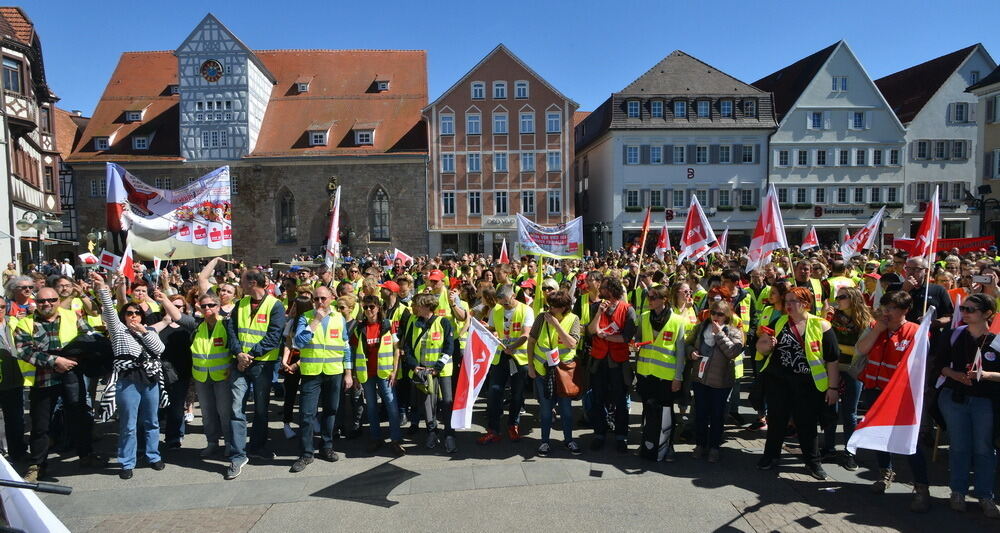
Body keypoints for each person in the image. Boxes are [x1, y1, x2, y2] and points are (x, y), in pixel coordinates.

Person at [14, 284, 104, 482]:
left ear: (57, 300)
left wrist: (81, 357)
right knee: (41, 425)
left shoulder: (72, 316)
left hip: (72, 373)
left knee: (80, 416)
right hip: (43, 379)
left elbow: (89, 338)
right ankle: (37, 465)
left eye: (52, 300)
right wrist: (55, 361)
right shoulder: (26, 323)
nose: (47, 304)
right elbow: (24, 350)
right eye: (42, 301)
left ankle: (86, 455)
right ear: (36, 302)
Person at [854, 290, 931, 512]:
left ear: (905, 311)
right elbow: (861, 350)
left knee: (910, 442)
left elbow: (919, 366)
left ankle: (921, 487)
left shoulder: (915, 332)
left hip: (901, 396)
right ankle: (885, 472)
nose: (886, 312)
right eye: (884, 307)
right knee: (879, 435)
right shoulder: (876, 326)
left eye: (892, 309)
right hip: (874, 390)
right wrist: (877, 329)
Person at [755, 286, 840, 480]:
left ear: (805, 304)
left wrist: (833, 388)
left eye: (793, 301)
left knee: (807, 424)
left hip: (808, 385)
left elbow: (832, 359)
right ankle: (770, 456)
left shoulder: (822, 325)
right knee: (776, 420)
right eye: (787, 301)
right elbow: (763, 348)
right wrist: (765, 345)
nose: (788, 305)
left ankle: (813, 462)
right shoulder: (779, 322)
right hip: (779, 381)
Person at [92, 272, 167, 480]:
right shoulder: (119, 332)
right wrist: (103, 288)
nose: (133, 316)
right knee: (128, 423)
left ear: (142, 316)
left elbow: (159, 349)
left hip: (149, 379)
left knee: (151, 421)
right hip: (128, 380)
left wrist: (143, 331)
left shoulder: (149, 331)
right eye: (129, 313)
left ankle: (153, 455)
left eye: (136, 313)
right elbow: (109, 310)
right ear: (124, 317)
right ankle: (127, 461)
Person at [932, 292, 1000, 518]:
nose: (965, 313)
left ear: (987, 314)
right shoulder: (954, 334)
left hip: (985, 401)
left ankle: (985, 495)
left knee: (984, 448)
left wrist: (987, 374)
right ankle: (958, 492)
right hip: (955, 397)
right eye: (964, 309)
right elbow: (939, 364)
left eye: (971, 310)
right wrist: (955, 374)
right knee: (959, 446)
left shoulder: (997, 339)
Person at [224, 268, 286, 480]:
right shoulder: (240, 304)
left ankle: (257, 446)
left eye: (242, 281)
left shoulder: (275, 306)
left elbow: (273, 336)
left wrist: (249, 355)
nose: (239, 284)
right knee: (236, 408)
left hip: (262, 365)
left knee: (261, 409)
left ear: (252, 283)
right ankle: (237, 455)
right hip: (240, 363)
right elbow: (231, 331)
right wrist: (239, 354)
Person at [289, 286, 352, 472]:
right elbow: (298, 342)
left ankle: (327, 446)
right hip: (311, 372)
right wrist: (316, 320)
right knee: (307, 414)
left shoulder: (339, 318)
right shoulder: (306, 317)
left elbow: (346, 347)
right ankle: (307, 454)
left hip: (334, 371)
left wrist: (348, 373)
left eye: (323, 298)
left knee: (331, 410)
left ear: (332, 298)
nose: (319, 302)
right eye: (316, 299)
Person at [822, 286, 873, 470]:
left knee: (850, 413)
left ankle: (850, 452)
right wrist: (823, 316)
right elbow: (825, 340)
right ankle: (828, 448)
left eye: (841, 297)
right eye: (837, 297)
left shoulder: (865, 320)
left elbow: (861, 349)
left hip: (852, 371)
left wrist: (839, 349)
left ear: (852, 299)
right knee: (830, 409)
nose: (837, 300)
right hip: (833, 368)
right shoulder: (832, 316)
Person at [634, 285, 687, 461]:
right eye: (648, 297)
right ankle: (647, 442)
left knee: (666, 411)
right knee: (647, 410)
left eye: (653, 297)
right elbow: (639, 340)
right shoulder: (644, 317)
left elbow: (681, 353)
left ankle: (668, 446)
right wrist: (635, 344)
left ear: (664, 299)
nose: (649, 300)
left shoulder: (678, 321)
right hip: (645, 373)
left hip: (666, 376)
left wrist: (678, 377)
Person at [526, 289, 582, 456]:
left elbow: (572, 343)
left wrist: (556, 325)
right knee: (545, 409)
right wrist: (530, 366)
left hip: (564, 372)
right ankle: (544, 442)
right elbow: (531, 342)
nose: (550, 309)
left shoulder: (573, 319)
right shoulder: (541, 317)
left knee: (566, 409)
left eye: (554, 306)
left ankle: (569, 440)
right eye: (549, 305)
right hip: (543, 370)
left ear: (564, 307)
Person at [689, 300, 744, 463]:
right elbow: (688, 344)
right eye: (713, 313)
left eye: (720, 314)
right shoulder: (701, 328)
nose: (715, 316)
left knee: (717, 416)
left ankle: (714, 447)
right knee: (700, 414)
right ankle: (700, 444)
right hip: (700, 379)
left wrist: (719, 334)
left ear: (726, 316)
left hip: (720, 382)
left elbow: (733, 352)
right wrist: (691, 352)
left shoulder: (734, 331)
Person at [587, 277, 637, 452]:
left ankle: (621, 436)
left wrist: (605, 336)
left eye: (604, 287)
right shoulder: (595, 306)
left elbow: (627, 337)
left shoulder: (628, 310)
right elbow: (591, 331)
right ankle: (599, 433)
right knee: (598, 398)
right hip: (599, 361)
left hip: (618, 362)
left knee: (620, 400)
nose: (600, 289)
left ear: (612, 290)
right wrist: (599, 313)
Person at [402, 293, 457, 453]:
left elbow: (449, 347)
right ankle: (432, 432)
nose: (414, 308)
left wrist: (438, 366)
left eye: (417, 305)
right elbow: (408, 348)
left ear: (426, 306)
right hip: (423, 371)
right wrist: (413, 365)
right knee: (427, 404)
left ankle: (449, 434)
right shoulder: (415, 323)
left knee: (447, 402)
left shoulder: (443, 322)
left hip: (442, 370)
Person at [351, 295, 404, 456]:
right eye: (365, 307)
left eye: (371, 307)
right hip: (366, 374)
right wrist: (354, 375)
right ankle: (376, 438)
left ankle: (395, 440)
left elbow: (397, 349)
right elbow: (354, 352)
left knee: (392, 406)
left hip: (385, 373)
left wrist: (395, 371)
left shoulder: (387, 325)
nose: (368, 310)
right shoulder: (359, 328)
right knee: (372, 408)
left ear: (378, 307)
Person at [479, 285, 532, 445]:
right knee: (494, 393)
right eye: (501, 303)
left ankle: (513, 424)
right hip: (500, 357)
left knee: (517, 394)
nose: (503, 305)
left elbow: (526, 334)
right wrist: (486, 327)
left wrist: (513, 347)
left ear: (514, 296)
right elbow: (493, 328)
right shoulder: (496, 310)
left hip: (518, 358)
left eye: (506, 303)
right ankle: (493, 430)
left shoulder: (526, 310)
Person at [190, 292, 235, 458]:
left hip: (222, 376)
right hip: (202, 377)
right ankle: (212, 443)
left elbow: (235, 348)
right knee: (208, 414)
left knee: (225, 413)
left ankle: (230, 443)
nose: (207, 308)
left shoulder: (226, 324)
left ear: (218, 306)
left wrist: (232, 367)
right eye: (204, 306)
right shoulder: (197, 326)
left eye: (211, 305)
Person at [0, 296, 26, 460]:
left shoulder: (12, 322)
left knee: (15, 418)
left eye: (2, 306)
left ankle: (18, 452)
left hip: (14, 378)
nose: (0, 309)